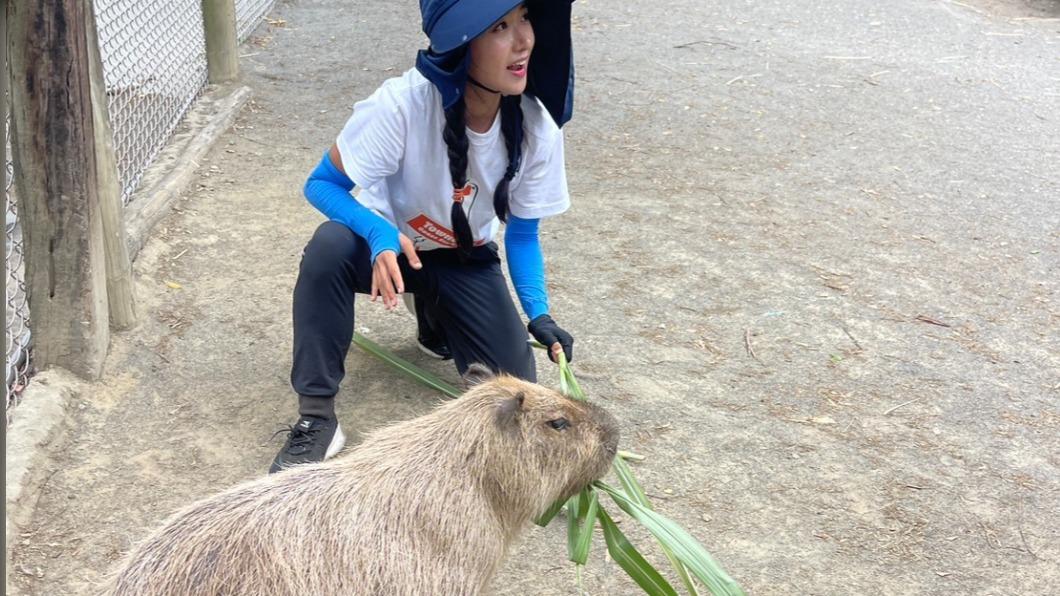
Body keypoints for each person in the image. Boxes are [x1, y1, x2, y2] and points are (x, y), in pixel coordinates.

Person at [270, 0, 579, 473]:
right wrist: (379, 234)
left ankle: (435, 316)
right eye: (500, 26)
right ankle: (317, 418)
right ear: (459, 46)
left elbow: (521, 233)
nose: (524, 41)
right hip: (392, 253)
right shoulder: (402, 103)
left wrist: (539, 314)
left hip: (465, 258)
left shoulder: (536, 123)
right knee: (328, 247)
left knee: (515, 400)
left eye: (525, 19)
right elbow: (320, 183)